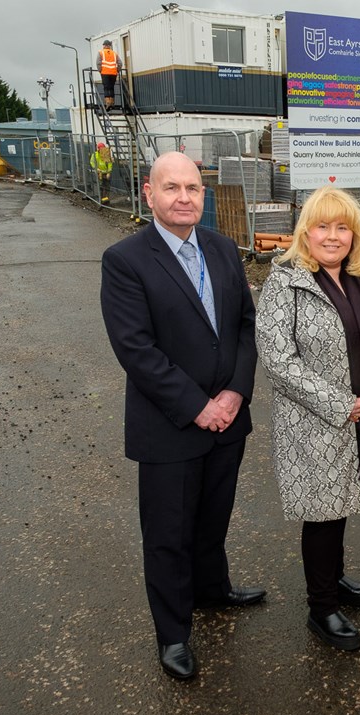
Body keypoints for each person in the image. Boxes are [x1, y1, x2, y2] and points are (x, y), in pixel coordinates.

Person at [100, 152, 264, 681]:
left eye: (193, 187)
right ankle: (173, 634)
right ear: (149, 195)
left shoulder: (221, 248)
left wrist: (236, 392)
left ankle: (212, 591)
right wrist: (199, 407)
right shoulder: (125, 260)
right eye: (171, 188)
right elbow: (136, 349)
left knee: (213, 518)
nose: (184, 197)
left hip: (228, 421)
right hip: (170, 427)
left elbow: (243, 325)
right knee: (168, 534)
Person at [255, 186, 360, 653]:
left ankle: (333, 581)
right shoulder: (285, 280)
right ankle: (322, 608)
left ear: (355, 234)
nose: (333, 236)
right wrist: (341, 404)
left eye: (343, 227)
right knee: (321, 513)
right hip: (313, 422)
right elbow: (278, 359)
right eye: (323, 226)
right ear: (305, 232)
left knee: (342, 504)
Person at [97, 40, 120, 110]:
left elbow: (98, 63)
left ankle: (108, 103)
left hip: (105, 73)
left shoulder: (100, 52)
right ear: (109, 46)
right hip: (113, 73)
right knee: (111, 87)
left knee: (106, 88)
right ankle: (112, 103)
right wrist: (117, 70)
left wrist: (100, 70)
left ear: (104, 45)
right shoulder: (115, 54)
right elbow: (120, 63)